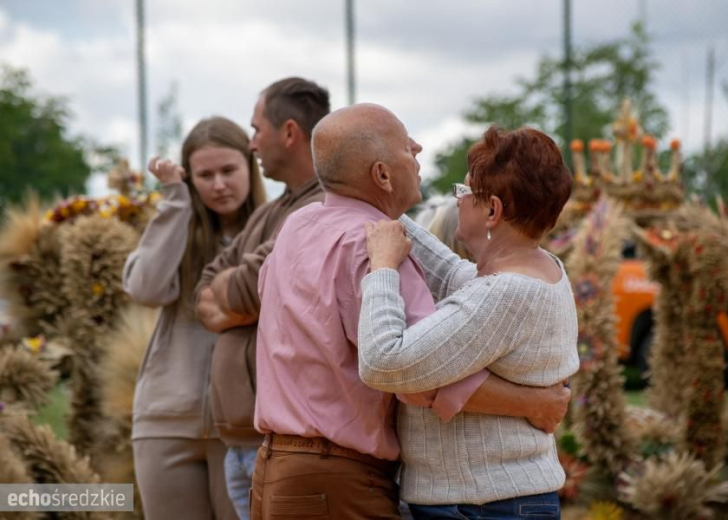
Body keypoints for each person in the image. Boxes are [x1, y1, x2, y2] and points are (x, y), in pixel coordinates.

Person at [249, 103, 571, 520]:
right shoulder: (378, 250)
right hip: (340, 482)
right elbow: (410, 375)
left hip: (277, 469)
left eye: (463, 191)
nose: (419, 148)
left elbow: (456, 289)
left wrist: (379, 210)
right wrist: (532, 403)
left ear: (492, 211)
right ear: (382, 175)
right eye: (407, 146)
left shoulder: (300, 225)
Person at [357, 125, 578, 519]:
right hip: (496, 501)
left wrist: (383, 268)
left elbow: (384, 362)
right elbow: (452, 274)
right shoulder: (538, 269)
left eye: (464, 192)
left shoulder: (505, 294)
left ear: (492, 210)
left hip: (482, 505)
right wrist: (381, 210)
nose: (457, 201)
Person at [195, 77, 329, 520]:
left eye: (257, 130)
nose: (251, 144)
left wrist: (238, 293)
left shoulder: (325, 207)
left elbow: (251, 284)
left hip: (283, 444)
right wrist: (239, 295)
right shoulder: (269, 213)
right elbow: (206, 290)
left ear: (289, 132)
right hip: (240, 442)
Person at [123, 116, 266, 520]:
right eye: (204, 175)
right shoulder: (177, 227)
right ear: (191, 180)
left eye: (228, 170)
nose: (218, 184)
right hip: (164, 423)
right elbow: (145, 289)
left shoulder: (273, 227)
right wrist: (174, 202)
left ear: (249, 167)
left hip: (243, 429)